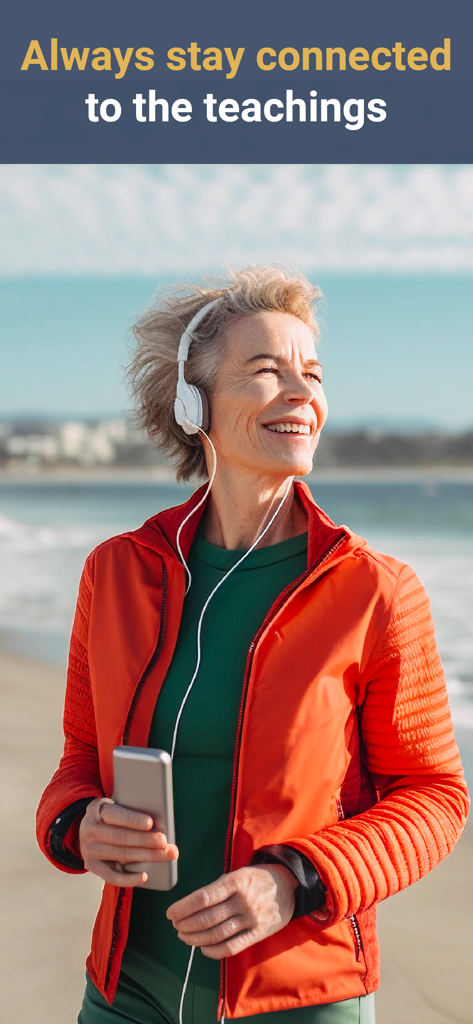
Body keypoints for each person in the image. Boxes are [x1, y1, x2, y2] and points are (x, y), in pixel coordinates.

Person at [37, 265, 469, 1024]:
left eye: (312, 374)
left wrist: (294, 879)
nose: (301, 393)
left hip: (301, 997)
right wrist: (77, 823)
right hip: (123, 989)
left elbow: (433, 797)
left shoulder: (373, 588)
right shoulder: (115, 571)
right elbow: (80, 756)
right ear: (190, 403)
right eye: (265, 372)